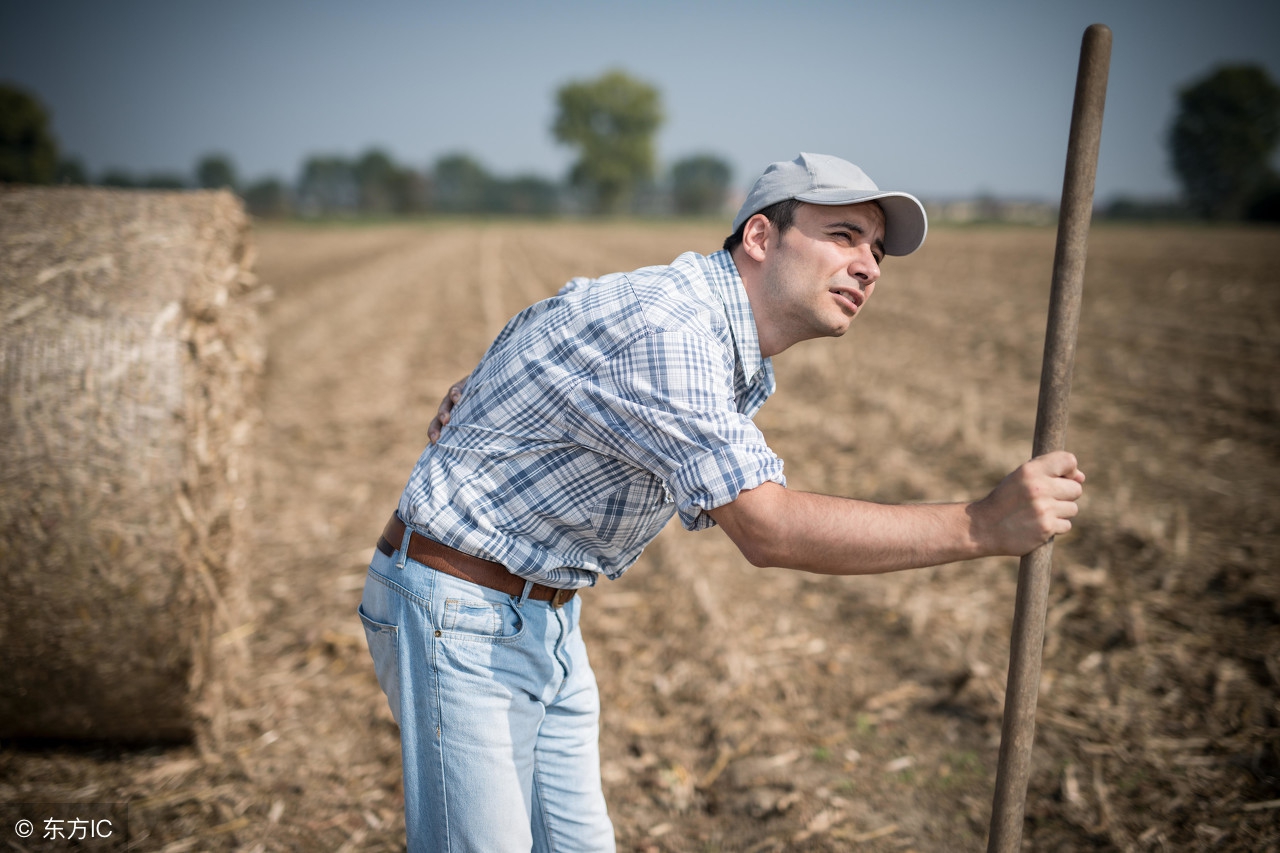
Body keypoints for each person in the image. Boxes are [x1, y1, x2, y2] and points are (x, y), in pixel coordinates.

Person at [359, 152, 1085, 852]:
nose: (868, 263)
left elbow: (563, 309)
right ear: (761, 237)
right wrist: (980, 524)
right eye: (843, 235)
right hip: (463, 612)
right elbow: (768, 529)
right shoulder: (673, 331)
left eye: (877, 250)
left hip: (542, 615)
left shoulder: (708, 332)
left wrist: (485, 388)